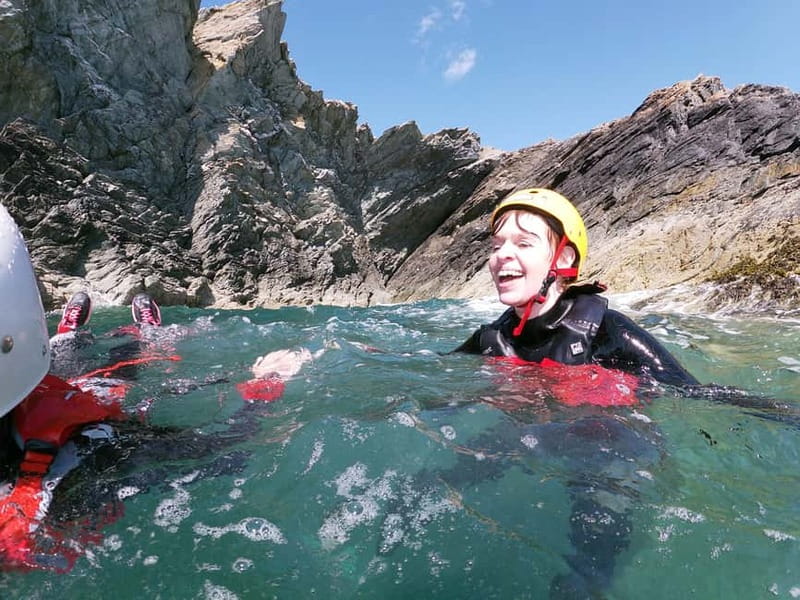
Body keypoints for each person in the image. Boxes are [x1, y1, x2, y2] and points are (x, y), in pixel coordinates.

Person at [0, 204, 309, 572]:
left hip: (42, 393)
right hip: (78, 403)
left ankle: (69, 333)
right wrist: (267, 385)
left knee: (67, 355)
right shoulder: (91, 451)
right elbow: (222, 447)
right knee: (132, 362)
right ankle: (150, 334)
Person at [454, 187, 699, 396]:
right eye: (496, 246)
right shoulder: (488, 340)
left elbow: (695, 394)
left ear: (563, 258)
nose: (501, 255)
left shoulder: (610, 332)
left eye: (524, 243)